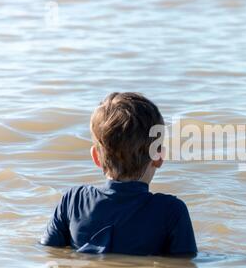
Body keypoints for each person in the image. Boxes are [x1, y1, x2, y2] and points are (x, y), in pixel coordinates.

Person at [40, 92, 197, 257]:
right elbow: (184, 264)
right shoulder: (171, 211)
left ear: (96, 157)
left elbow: (49, 252)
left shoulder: (73, 201)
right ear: (159, 157)